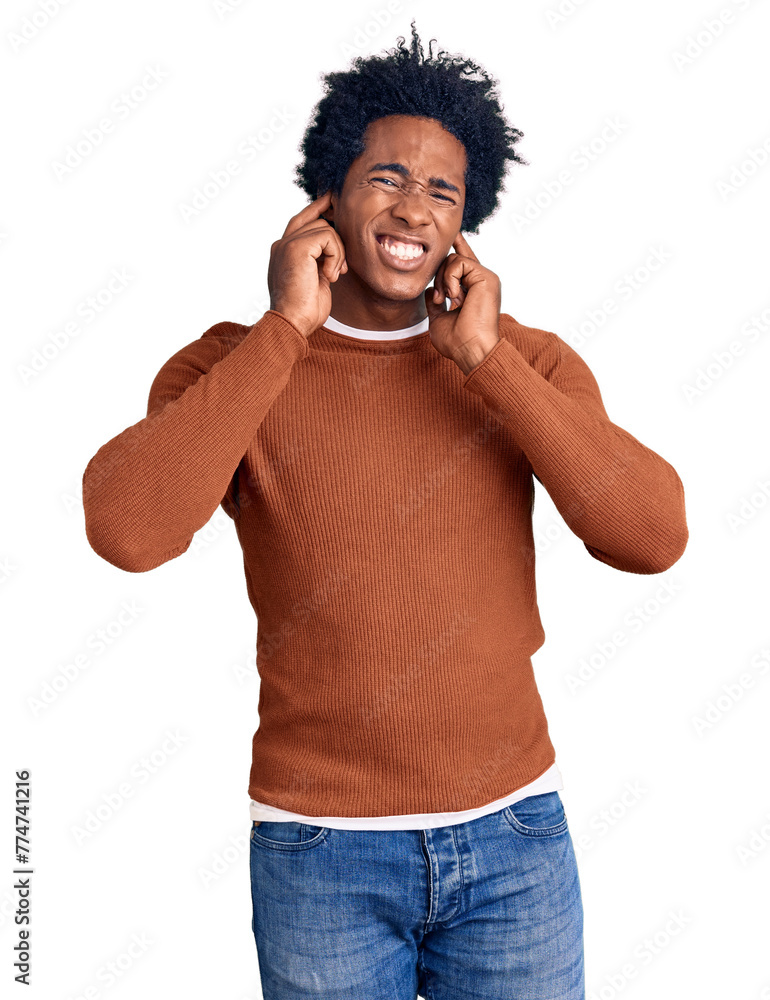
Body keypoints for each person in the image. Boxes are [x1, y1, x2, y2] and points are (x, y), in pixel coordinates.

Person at [82, 21, 688, 1000]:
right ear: (326, 196)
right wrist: (285, 328)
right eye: (386, 178)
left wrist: (485, 363)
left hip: (513, 839)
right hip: (318, 853)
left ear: (465, 221)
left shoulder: (522, 360)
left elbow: (651, 537)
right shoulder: (231, 367)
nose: (413, 207)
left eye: (441, 190)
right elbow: (126, 530)